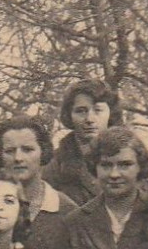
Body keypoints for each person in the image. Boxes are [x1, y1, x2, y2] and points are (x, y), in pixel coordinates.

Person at [45, 79, 121, 207]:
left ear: (110, 114)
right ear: (69, 115)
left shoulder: (128, 159)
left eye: (98, 110)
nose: (90, 119)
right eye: (81, 111)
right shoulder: (54, 164)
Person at [0, 116, 70, 231]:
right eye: (9, 151)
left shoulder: (66, 209)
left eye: (27, 149)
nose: (18, 158)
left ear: (43, 152)